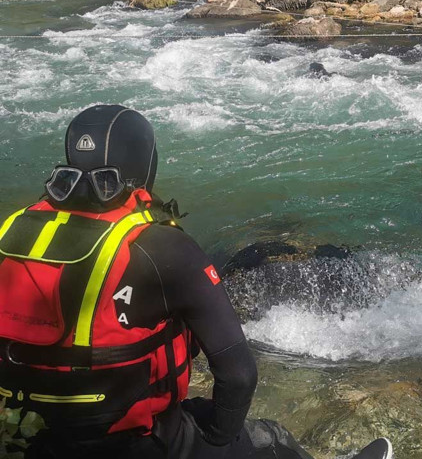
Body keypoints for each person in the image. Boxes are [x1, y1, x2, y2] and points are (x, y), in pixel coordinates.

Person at [0, 105, 392, 459]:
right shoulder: (163, 248)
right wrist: (219, 438)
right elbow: (239, 376)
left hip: (27, 436)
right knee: (270, 439)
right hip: (133, 444)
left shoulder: (12, 232)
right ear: (146, 166)